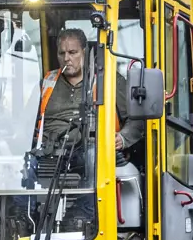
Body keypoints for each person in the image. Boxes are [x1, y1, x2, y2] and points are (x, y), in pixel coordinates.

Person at [33, 28, 136, 162]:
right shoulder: (46, 82)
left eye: (72, 53)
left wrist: (123, 138)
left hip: (94, 157)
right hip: (47, 153)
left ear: (84, 52)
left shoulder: (110, 80)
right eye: (61, 53)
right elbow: (24, 123)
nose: (66, 58)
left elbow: (136, 118)